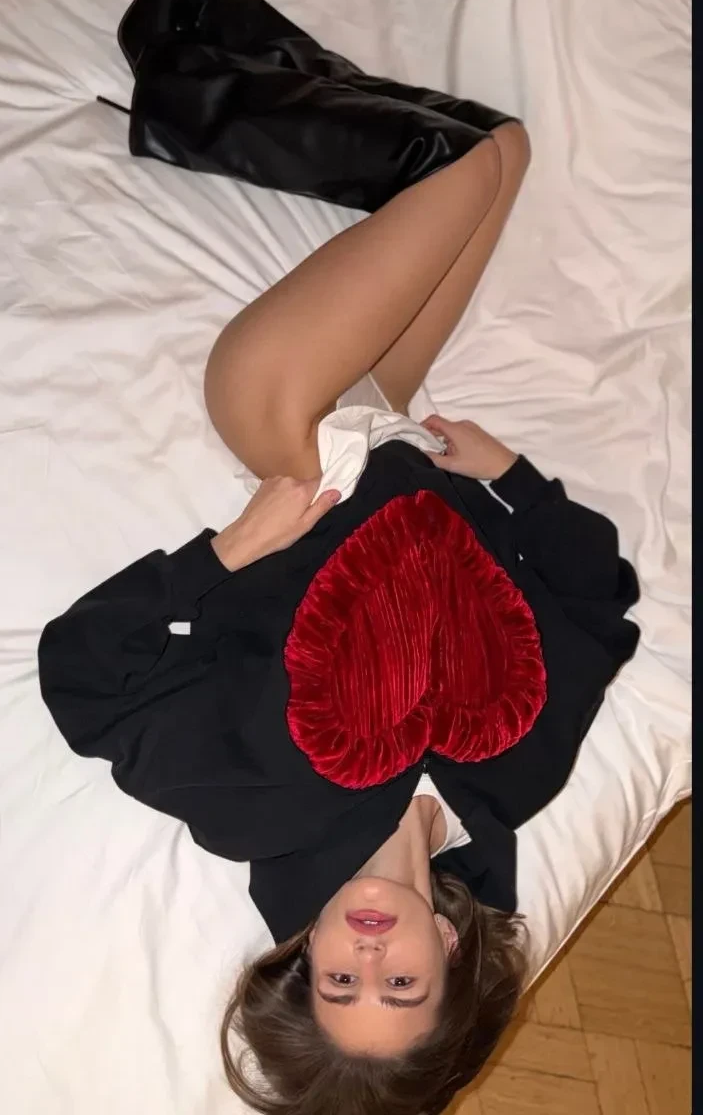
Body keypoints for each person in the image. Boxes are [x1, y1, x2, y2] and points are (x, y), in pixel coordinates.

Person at [39, 96, 640, 1111]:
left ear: (303, 957)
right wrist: (517, 482)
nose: (367, 957)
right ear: (448, 947)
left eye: (338, 984)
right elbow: (599, 605)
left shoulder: (252, 809)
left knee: (464, 167)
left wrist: (229, 552)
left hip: (287, 421)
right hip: (391, 419)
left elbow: (85, 678)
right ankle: (210, 101)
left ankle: (200, 101)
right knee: (506, 151)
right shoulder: (515, 779)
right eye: (400, 985)